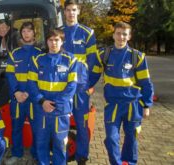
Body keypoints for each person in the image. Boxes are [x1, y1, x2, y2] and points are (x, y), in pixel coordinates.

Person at [89, 22, 154, 165]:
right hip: (112, 105)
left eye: (125, 34)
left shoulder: (137, 57)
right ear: (113, 35)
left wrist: (147, 105)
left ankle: (129, 162)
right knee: (111, 138)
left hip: (133, 105)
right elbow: (92, 76)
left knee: (131, 138)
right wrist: (84, 88)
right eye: (118, 33)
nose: (121, 37)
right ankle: (116, 163)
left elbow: (146, 83)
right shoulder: (103, 54)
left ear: (129, 36)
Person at [27, 29, 81, 165]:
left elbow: (72, 86)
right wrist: (42, 101)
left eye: (56, 40)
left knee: (60, 144)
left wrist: (55, 104)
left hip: (60, 112)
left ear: (62, 41)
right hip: (41, 110)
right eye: (50, 40)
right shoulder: (37, 60)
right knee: (41, 143)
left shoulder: (71, 60)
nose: (53, 43)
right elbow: (31, 84)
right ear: (46, 42)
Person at [62, 1, 98, 164]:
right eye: (68, 10)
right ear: (64, 12)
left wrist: (89, 84)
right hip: (61, 86)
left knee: (81, 123)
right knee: (61, 121)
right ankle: (60, 154)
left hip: (81, 87)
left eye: (74, 10)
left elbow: (94, 61)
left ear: (78, 11)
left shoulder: (87, 33)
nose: (71, 13)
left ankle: (82, 156)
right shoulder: (59, 33)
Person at [5, 22, 42, 164]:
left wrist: (27, 93)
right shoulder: (14, 53)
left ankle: (37, 155)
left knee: (37, 129)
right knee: (16, 127)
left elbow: (41, 77)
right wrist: (16, 93)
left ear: (34, 33)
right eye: (24, 31)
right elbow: (10, 74)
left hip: (33, 99)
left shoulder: (40, 54)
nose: (26, 34)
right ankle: (17, 154)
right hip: (17, 99)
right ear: (21, 34)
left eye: (29, 31)